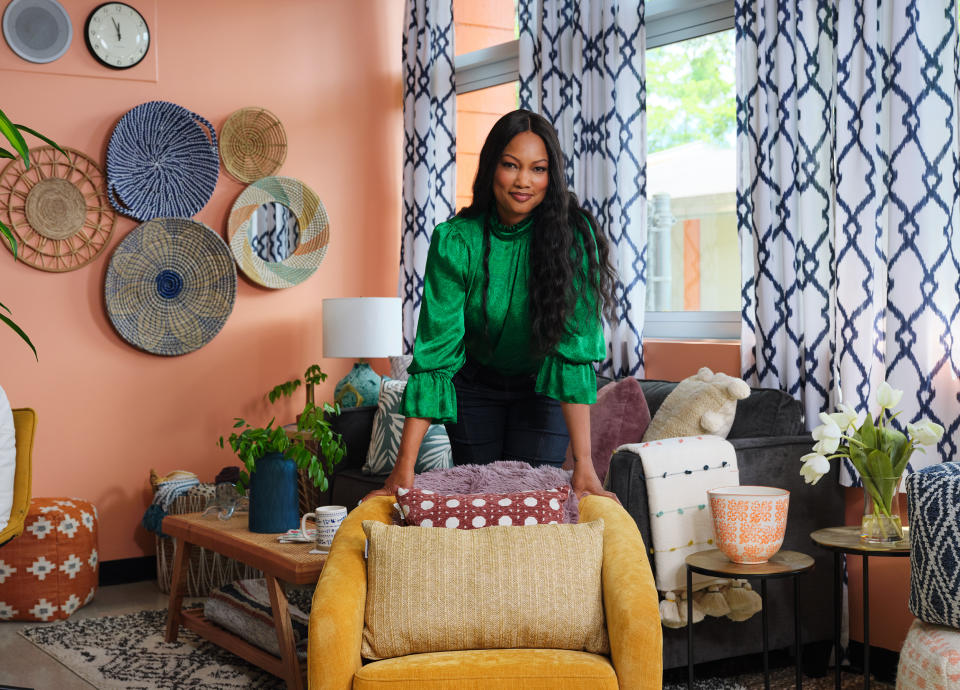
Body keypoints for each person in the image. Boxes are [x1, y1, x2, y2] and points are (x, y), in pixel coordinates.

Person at [367, 109, 619, 502]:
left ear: (551, 177)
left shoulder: (573, 239)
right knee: (479, 504)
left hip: (540, 389)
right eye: (511, 165)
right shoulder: (456, 241)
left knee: (529, 507)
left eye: (538, 169)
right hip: (474, 388)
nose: (524, 181)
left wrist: (584, 464)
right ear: (491, 168)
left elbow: (573, 355)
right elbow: (436, 353)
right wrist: (404, 468)